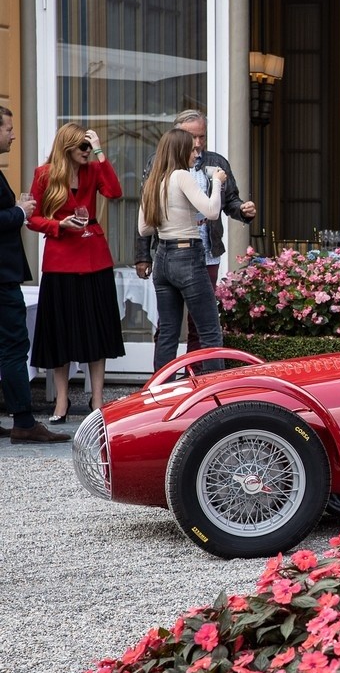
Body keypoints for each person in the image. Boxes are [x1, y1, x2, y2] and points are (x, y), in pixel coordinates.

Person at [133, 110, 256, 353]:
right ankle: (175, 384)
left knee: (198, 324)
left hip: (207, 251)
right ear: (177, 136)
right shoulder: (160, 164)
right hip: (172, 249)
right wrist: (142, 255)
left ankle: (194, 378)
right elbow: (147, 209)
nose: (197, 144)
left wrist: (242, 209)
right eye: (192, 137)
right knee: (172, 325)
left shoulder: (217, 162)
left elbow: (229, 200)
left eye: (202, 136)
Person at [26, 123, 125, 424]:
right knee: (60, 333)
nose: (86, 152)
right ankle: (61, 401)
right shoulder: (44, 174)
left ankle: (97, 399)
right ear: (67, 147)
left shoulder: (93, 169)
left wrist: (99, 152)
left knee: (96, 330)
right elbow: (32, 218)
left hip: (94, 257)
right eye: (82, 147)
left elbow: (115, 191)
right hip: (60, 260)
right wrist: (58, 226)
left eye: (89, 147)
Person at [0, 107, 67, 442]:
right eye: (8, 129)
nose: (13, 135)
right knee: (13, 345)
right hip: (1, 276)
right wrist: (19, 211)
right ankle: (24, 422)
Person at [137, 128, 228, 372]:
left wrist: (180, 218)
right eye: (191, 148)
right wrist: (217, 183)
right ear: (179, 151)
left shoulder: (154, 180)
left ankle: (159, 394)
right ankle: (214, 396)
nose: (196, 153)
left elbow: (144, 228)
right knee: (210, 331)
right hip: (187, 257)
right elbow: (212, 211)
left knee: (167, 331)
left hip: (163, 259)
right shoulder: (182, 176)